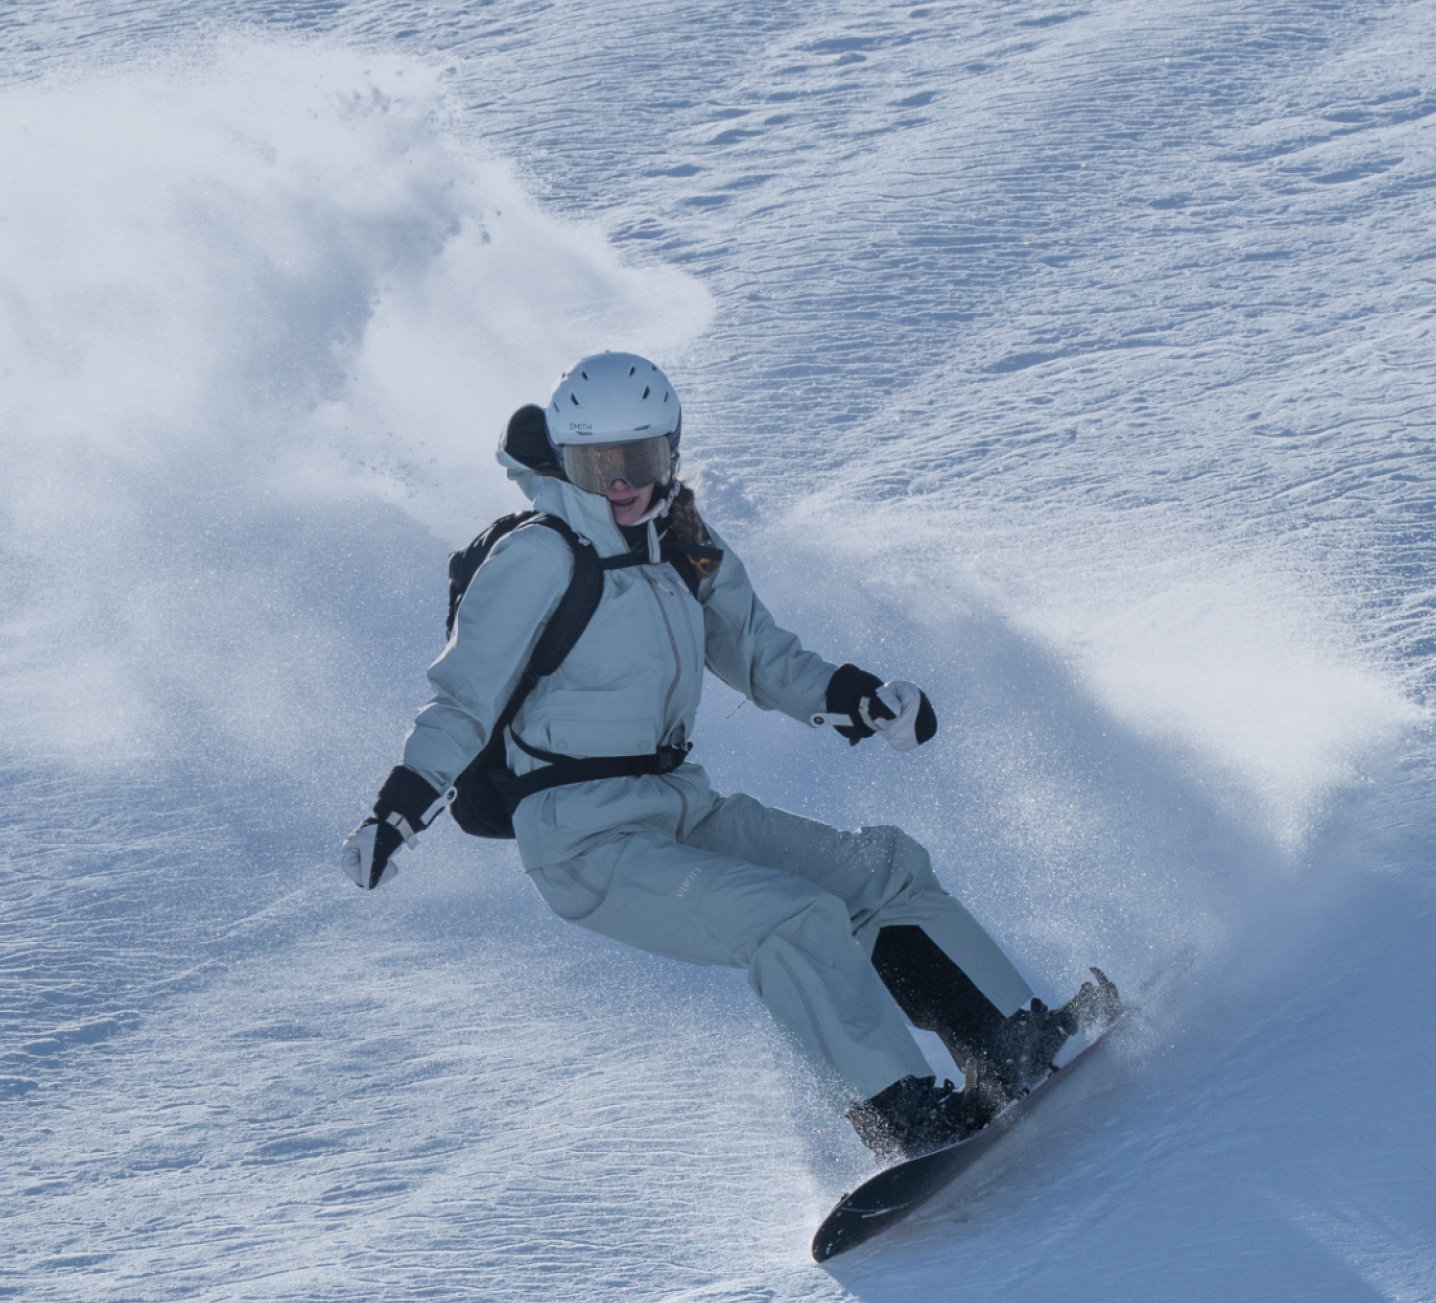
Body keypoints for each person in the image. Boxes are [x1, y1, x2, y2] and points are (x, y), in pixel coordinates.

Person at [341, 351, 1113, 1163]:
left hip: (679, 803)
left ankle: (1005, 1039)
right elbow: (464, 697)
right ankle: (903, 1115)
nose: (618, 484)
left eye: (636, 460)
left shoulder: (680, 540)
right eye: (595, 464)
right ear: (565, 460)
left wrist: (858, 696)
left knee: (878, 871)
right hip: (585, 843)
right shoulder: (539, 555)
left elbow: (759, 653)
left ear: (667, 452)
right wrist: (395, 815)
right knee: (788, 918)